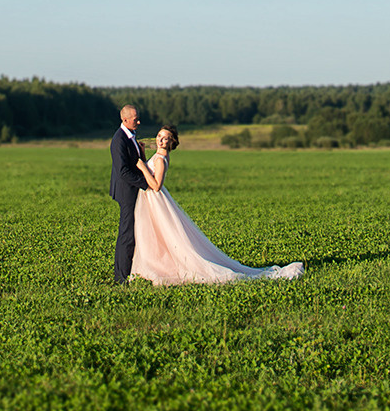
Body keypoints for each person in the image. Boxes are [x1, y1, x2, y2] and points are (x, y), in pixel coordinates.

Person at [127, 126, 303, 285]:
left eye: (165, 138)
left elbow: (156, 186)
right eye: (159, 136)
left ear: (171, 142)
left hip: (155, 200)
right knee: (158, 236)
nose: (160, 140)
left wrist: (142, 166)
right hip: (151, 201)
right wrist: (142, 155)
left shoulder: (160, 159)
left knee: (162, 235)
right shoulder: (158, 156)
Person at [108, 104, 146, 284]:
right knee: (127, 234)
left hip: (131, 190)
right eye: (135, 119)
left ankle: (126, 273)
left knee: (130, 232)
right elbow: (123, 171)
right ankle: (120, 278)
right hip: (126, 192)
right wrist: (145, 184)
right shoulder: (119, 140)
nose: (138, 121)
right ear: (125, 120)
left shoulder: (130, 136)